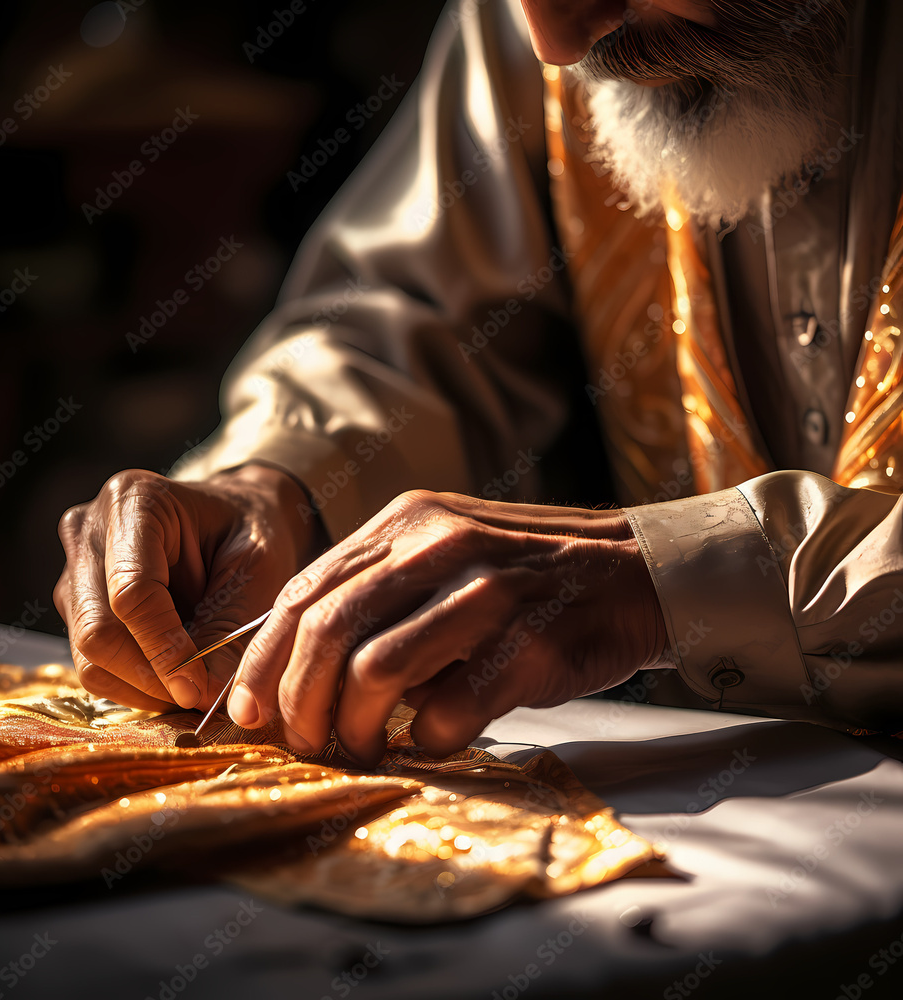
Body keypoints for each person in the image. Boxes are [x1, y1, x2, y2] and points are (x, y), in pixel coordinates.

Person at [55, 0, 903, 765]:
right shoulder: (551, 17)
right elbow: (417, 316)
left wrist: (662, 580)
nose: (554, 45)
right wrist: (282, 483)